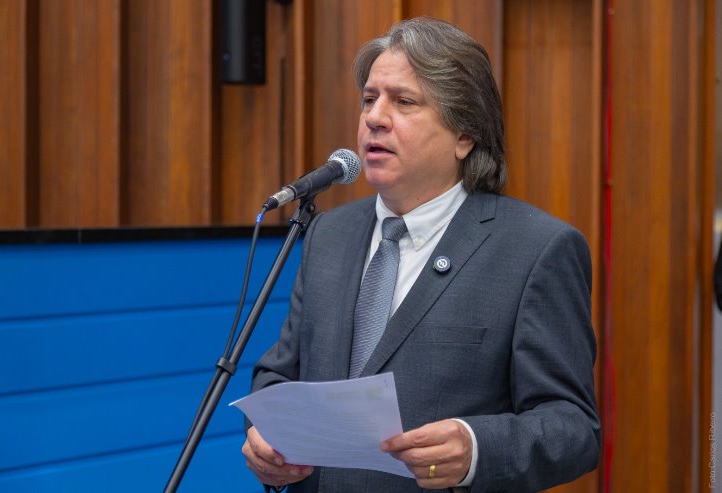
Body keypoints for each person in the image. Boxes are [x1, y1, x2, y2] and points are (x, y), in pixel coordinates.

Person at [242, 16, 600, 492]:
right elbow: (280, 373)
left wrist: (476, 448)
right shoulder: (328, 234)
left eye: (404, 102)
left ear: (464, 135)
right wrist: (265, 437)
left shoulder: (536, 250)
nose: (374, 118)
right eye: (369, 99)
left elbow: (573, 427)